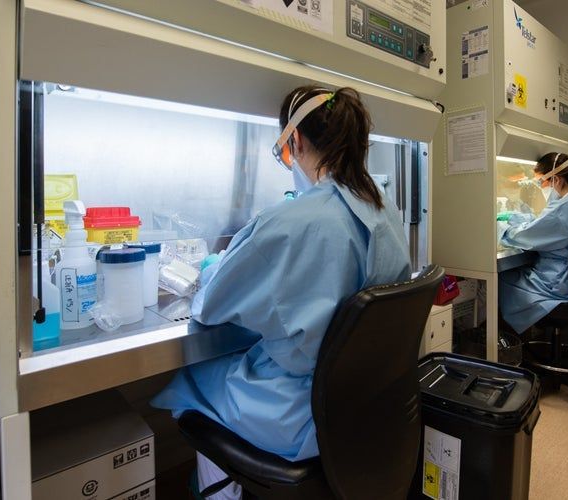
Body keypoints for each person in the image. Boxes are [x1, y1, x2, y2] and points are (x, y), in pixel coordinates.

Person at [152, 85, 411, 499]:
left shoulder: (290, 221)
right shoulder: (385, 207)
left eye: (285, 151)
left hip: (301, 414)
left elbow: (210, 305)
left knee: (193, 381)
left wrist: (213, 266)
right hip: (362, 405)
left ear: (297, 141)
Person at [498, 152, 568, 335]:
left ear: (556, 179)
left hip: (555, 287)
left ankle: (503, 342)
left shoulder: (565, 210)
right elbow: (544, 226)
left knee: (499, 279)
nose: (541, 187)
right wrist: (517, 218)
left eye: (541, 182)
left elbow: (525, 236)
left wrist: (501, 228)